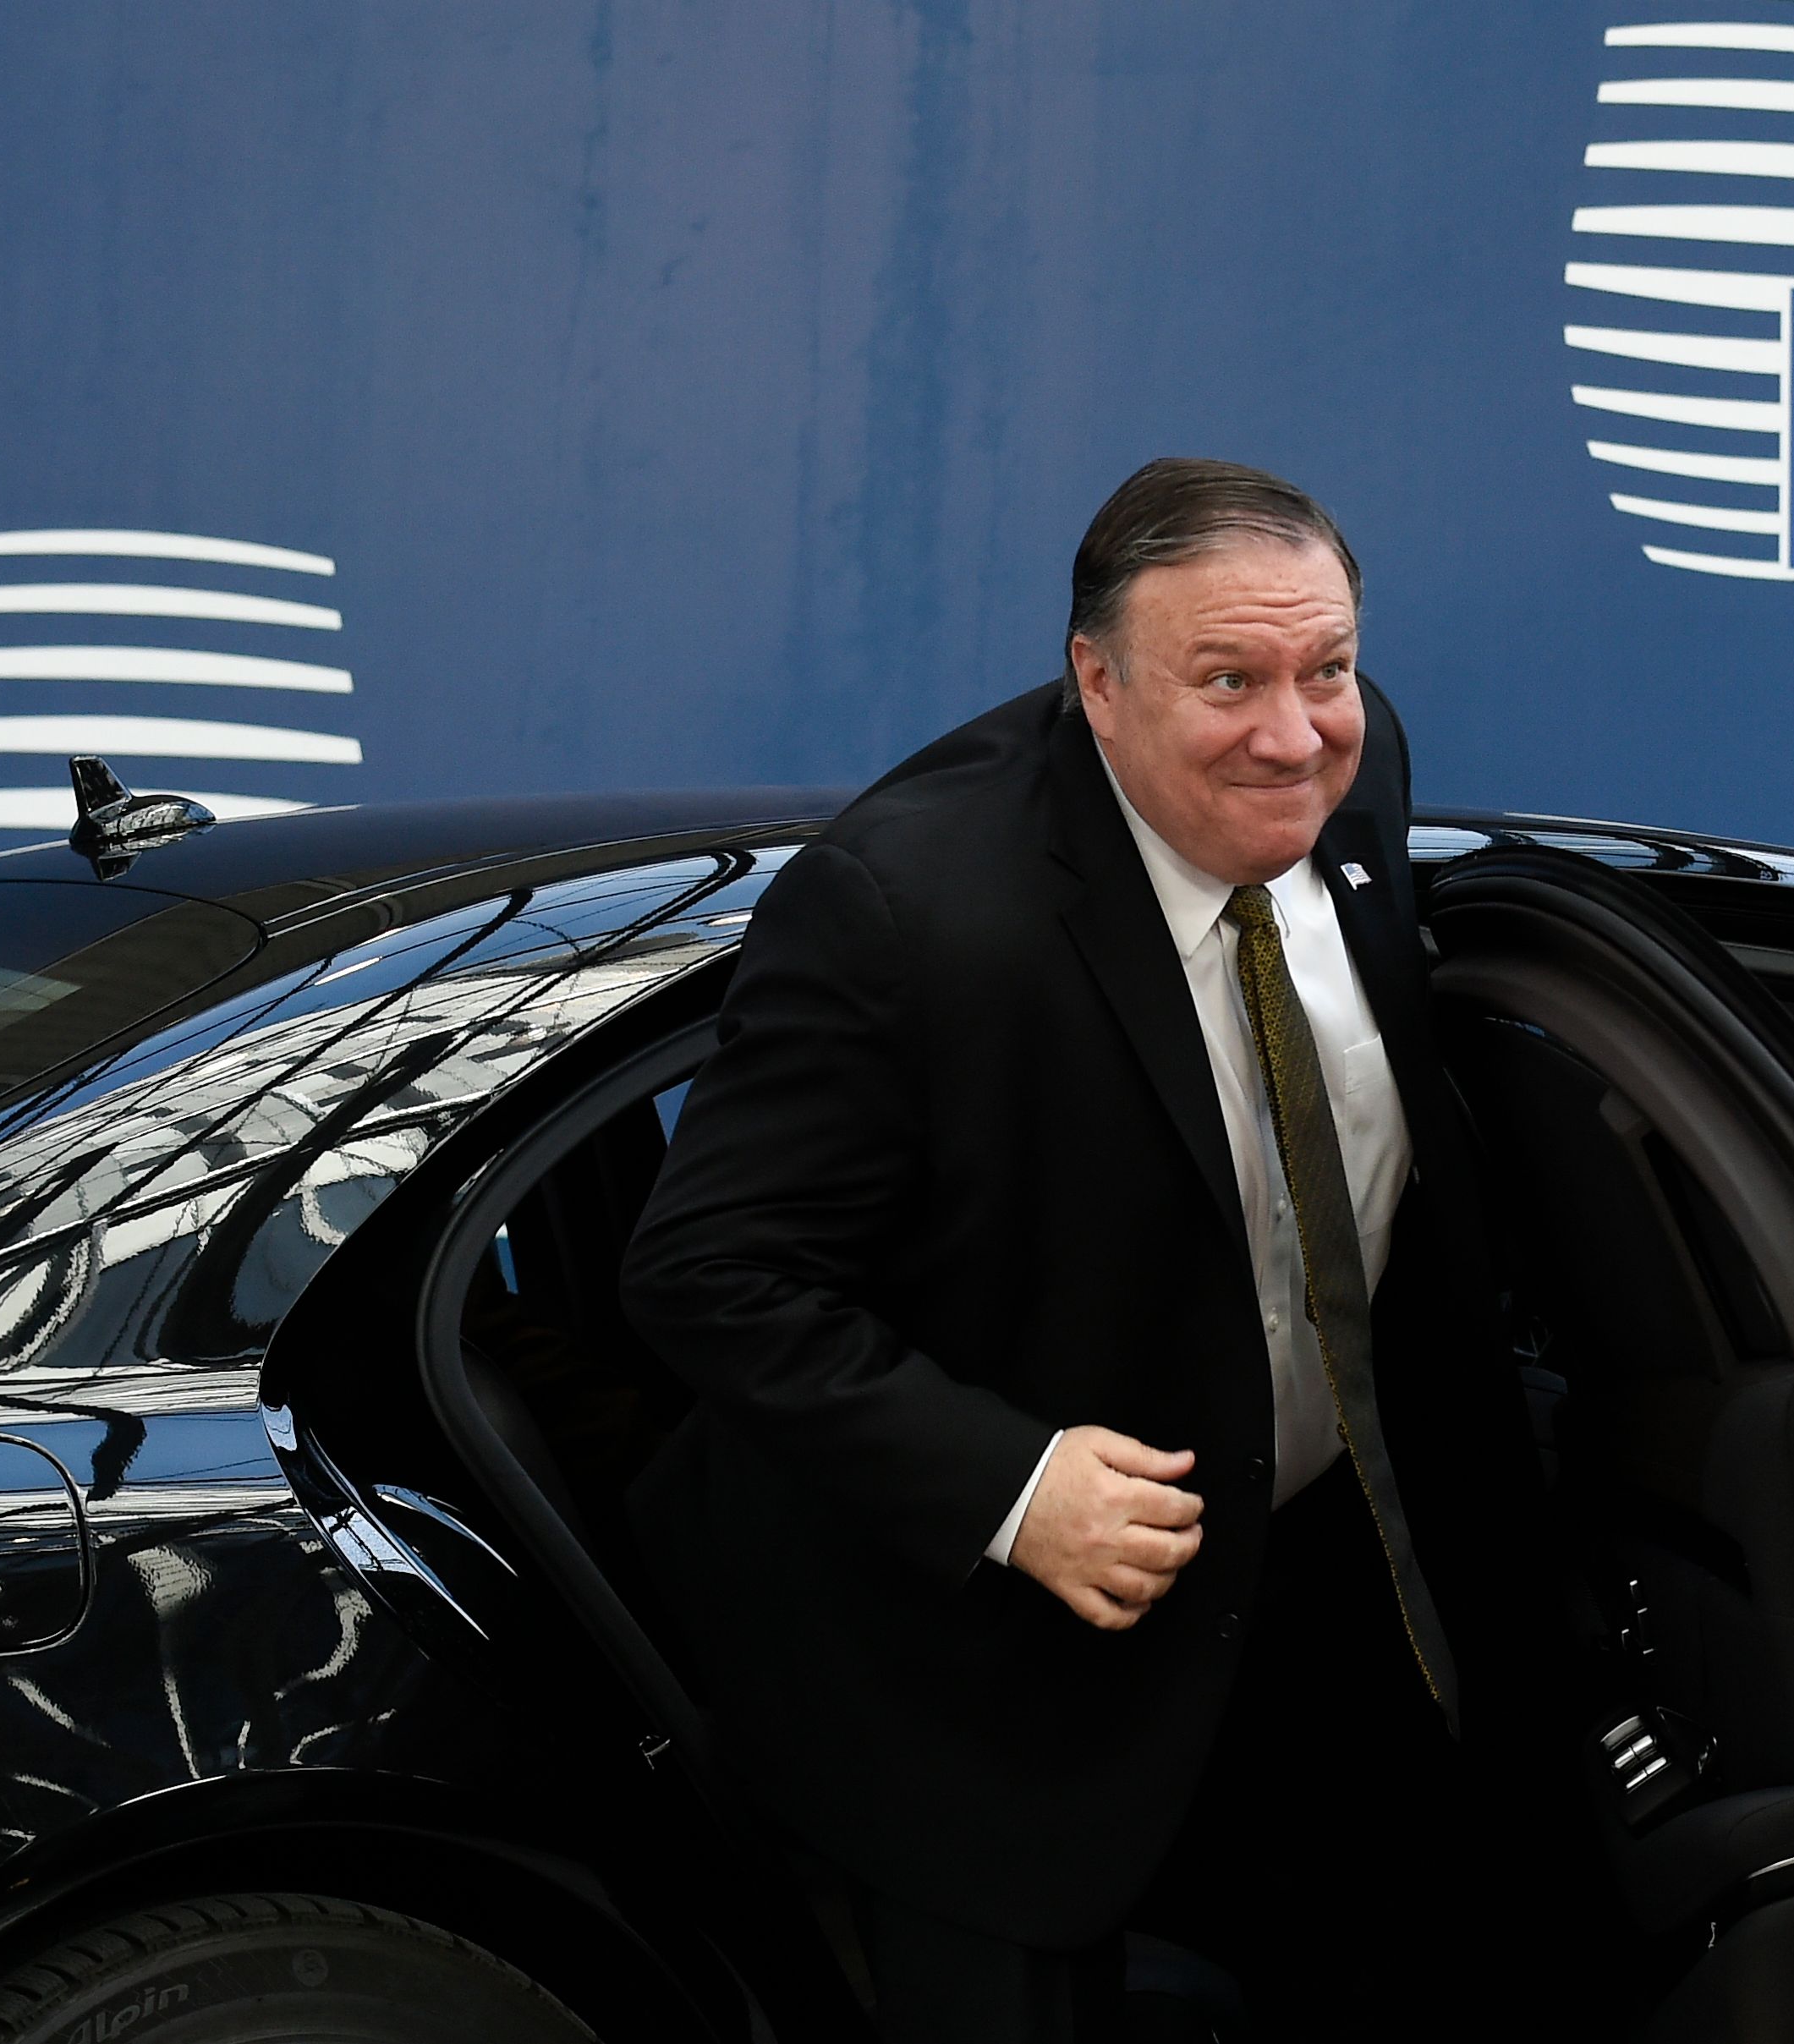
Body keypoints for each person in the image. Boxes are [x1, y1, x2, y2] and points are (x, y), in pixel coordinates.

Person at [617, 458, 1535, 2041]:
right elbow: (707, 1273)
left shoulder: (1343, 783)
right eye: (1228, 679)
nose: (1292, 733)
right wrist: (1009, 1483)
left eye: (1328, 671)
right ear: (1095, 685)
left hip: (1302, 1602)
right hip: (979, 1677)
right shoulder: (908, 907)